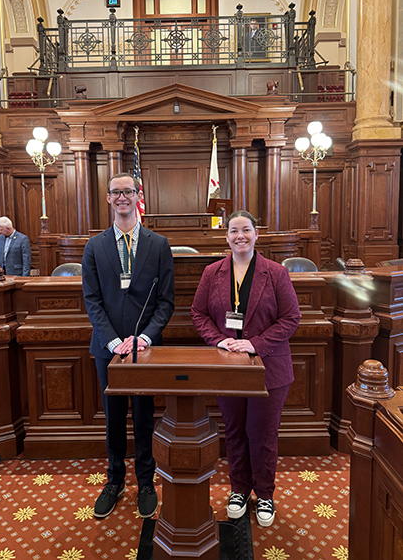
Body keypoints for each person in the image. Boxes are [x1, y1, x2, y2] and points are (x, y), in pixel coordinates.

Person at [190, 210, 301, 527]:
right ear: (226, 237)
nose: (240, 236)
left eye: (246, 230)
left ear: (256, 234)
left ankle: (264, 494)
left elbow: (291, 318)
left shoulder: (276, 273)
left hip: (269, 367)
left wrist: (256, 344)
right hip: (228, 368)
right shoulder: (213, 272)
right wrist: (219, 341)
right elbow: (198, 314)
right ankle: (239, 489)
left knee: (263, 434)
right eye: (234, 231)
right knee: (235, 432)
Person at [82, 172, 174, 520]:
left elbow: (166, 302)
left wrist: (145, 336)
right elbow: (92, 301)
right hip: (109, 349)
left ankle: (146, 481)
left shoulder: (158, 244)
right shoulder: (94, 246)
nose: (123, 197)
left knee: (145, 416)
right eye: (116, 192)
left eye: (128, 191)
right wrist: (114, 340)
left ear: (138, 195)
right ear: (108, 198)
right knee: (114, 419)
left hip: (146, 349)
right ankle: (115, 480)